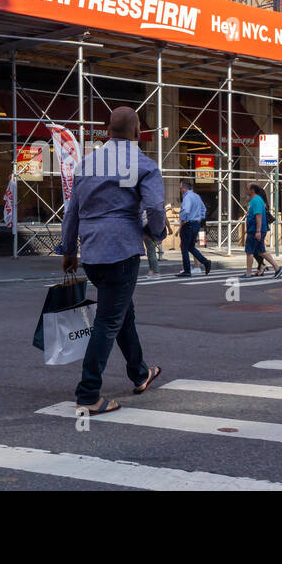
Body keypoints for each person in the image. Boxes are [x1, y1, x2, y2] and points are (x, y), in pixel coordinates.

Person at [61, 107, 164, 416]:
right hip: (121, 251)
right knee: (108, 321)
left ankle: (139, 372)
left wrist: (68, 251)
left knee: (121, 313)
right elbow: (156, 207)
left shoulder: (86, 164)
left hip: (92, 253)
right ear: (138, 133)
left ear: (108, 131)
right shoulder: (142, 164)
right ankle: (88, 394)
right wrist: (155, 232)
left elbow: (72, 211)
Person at [243, 183, 282, 278]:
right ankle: (277, 268)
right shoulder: (257, 200)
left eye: (247, 188)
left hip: (254, 230)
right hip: (257, 229)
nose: (246, 190)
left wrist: (258, 231)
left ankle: (248, 273)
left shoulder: (255, 200)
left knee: (249, 251)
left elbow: (258, 216)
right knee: (261, 251)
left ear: (252, 190)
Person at [176, 180, 212, 277]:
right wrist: (199, 220)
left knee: (184, 248)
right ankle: (206, 262)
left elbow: (186, 211)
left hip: (188, 224)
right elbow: (203, 209)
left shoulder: (187, 197)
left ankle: (187, 270)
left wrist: (182, 222)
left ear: (184, 188)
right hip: (195, 224)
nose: (180, 189)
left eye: (180, 187)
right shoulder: (196, 196)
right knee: (191, 247)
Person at [142, 209, 170, 279]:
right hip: (157, 230)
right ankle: (151, 271)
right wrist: (169, 228)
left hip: (148, 229)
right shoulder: (158, 206)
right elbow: (165, 217)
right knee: (150, 251)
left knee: (151, 251)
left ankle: (156, 272)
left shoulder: (145, 207)